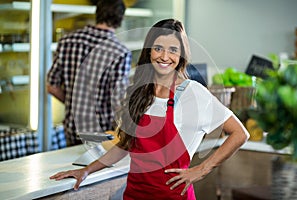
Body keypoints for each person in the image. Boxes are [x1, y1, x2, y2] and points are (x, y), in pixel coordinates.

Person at [50, 19, 249, 199]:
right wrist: (86, 171)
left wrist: (202, 169)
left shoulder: (193, 92)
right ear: (149, 51)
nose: (164, 56)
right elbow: (126, 145)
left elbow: (240, 133)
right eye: (158, 48)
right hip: (135, 194)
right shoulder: (141, 92)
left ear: (181, 54)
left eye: (173, 49)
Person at [47, 0, 132, 146]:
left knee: (72, 167)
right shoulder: (120, 52)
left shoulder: (67, 41)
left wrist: (72, 103)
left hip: (72, 129)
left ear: (97, 14)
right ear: (120, 19)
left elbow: (51, 86)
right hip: (102, 133)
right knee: (99, 169)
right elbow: (118, 102)